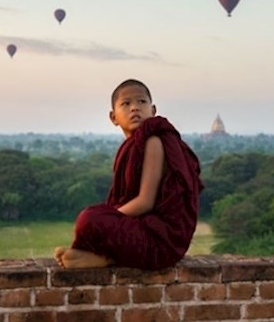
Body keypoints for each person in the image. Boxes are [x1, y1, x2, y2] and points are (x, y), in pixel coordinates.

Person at [54, 79, 203, 270]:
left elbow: (145, 202)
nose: (135, 108)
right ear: (113, 117)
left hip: (160, 242)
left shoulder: (154, 142)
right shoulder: (131, 147)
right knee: (93, 217)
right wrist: (107, 219)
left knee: (90, 218)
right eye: (126, 103)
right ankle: (103, 255)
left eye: (142, 102)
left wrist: (108, 218)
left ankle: (107, 258)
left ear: (153, 110)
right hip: (141, 230)